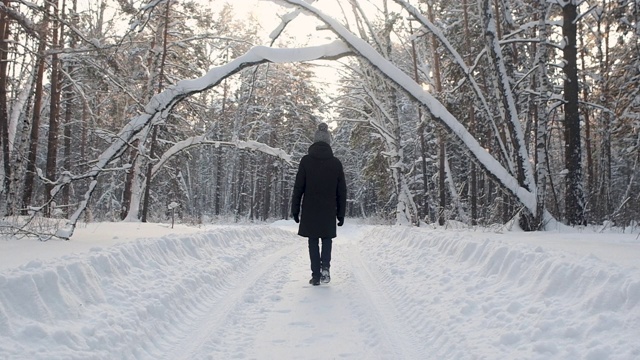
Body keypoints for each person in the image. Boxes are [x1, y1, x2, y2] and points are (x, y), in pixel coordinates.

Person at [291, 122, 347, 286]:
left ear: (314, 142)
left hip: (310, 209)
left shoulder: (306, 161)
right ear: (328, 143)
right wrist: (341, 213)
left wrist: (295, 210)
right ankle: (325, 269)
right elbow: (341, 191)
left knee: (313, 240)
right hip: (329, 209)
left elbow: (298, 187)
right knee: (327, 239)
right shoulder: (336, 163)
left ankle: (315, 275)